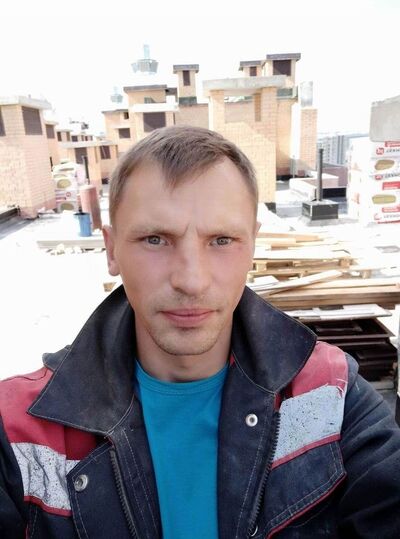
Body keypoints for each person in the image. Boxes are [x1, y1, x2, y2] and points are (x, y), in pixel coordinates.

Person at [0, 126, 400, 539]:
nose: (191, 280)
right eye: (155, 239)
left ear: (253, 245)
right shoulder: (17, 430)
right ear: (111, 249)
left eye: (222, 240)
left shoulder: (332, 394)